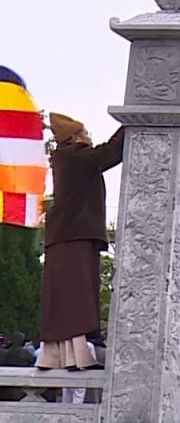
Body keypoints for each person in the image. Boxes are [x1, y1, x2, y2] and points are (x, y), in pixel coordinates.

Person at [35, 113, 123, 370]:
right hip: (73, 235)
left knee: (67, 297)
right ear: (74, 135)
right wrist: (130, 123)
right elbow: (108, 154)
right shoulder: (74, 156)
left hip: (67, 235)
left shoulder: (66, 158)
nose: (88, 136)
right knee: (76, 297)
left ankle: (61, 357)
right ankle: (75, 357)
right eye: (84, 131)